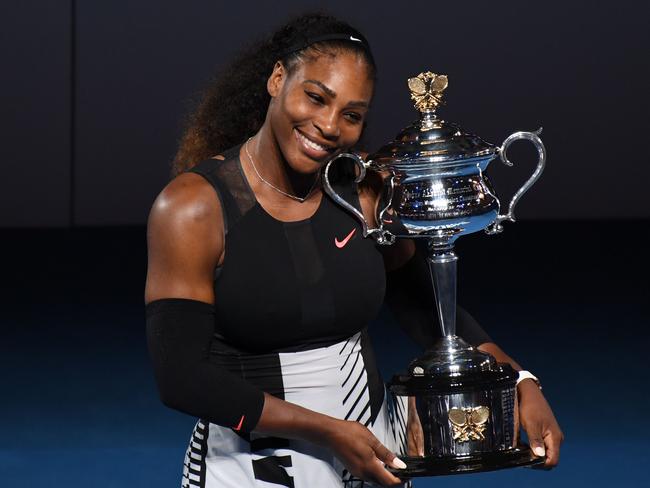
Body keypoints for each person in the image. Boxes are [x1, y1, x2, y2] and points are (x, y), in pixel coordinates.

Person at [144, 13, 563, 488]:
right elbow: (179, 377)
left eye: (351, 115)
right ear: (278, 79)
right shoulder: (193, 208)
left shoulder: (364, 193)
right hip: (250, 470)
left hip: (369, 461)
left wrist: (520, 380)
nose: (327, 125)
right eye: (316, 97)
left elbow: (425, 307)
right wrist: (329, 433)